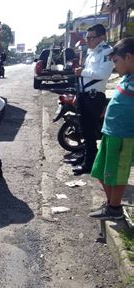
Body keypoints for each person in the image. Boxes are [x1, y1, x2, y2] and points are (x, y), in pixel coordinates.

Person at [89, 37, 134, 220]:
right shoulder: (127, 77)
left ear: (129, 57)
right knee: (101, 171)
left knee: (117, 173)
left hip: (124, 136)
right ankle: (111, 205)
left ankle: (114, 208)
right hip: (110, 132)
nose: (115, 66)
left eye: (116, 61)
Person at [72, 24, 114, 176]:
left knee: (90, 132)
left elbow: (103, 74)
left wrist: (82, 72)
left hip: (94, 97)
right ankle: (84, 157)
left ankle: (89, 164)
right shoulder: (92, 52)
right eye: (87, 38)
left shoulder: (106, 52)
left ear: (102, 37)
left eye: (91, 37)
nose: (88, 40)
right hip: (85, 95)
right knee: (84, 130)